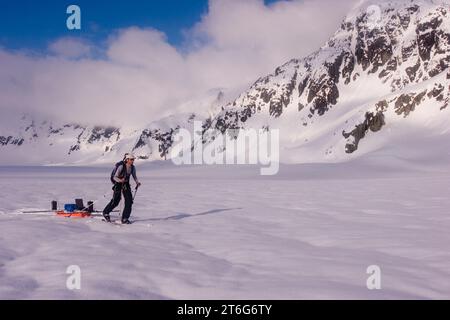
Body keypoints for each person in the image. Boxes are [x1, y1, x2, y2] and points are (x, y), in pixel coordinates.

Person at [103, 153, 141, 224]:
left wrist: (137, 182)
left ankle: (125, 218)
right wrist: (120, 180)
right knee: (115, 201)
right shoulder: (121, 166)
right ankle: (106, 212)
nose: (133, 161)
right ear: (127, 159)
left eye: (133, 159)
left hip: (126, 184)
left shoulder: (132, 167)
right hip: (118, 184)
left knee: (129, 201)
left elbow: (134, 176)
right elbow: (115, 177)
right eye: (131, 159)